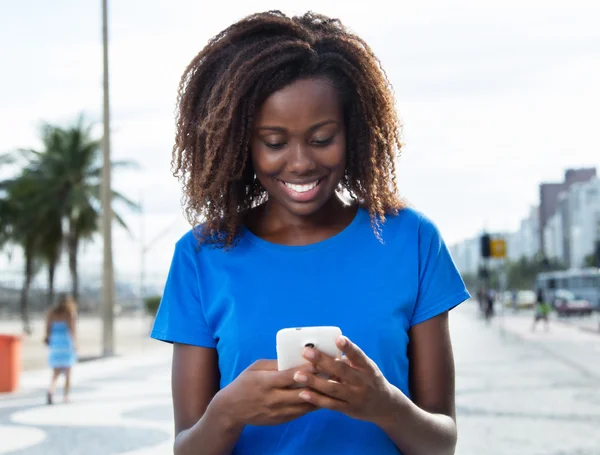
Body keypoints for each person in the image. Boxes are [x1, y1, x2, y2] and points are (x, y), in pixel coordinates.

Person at [151, 11, 470, 455]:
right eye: (275, 142)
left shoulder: (411, 241)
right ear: (241, 143)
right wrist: (228, 413)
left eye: (321, 138)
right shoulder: (201, 256)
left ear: (354, 132)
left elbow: (442, 444)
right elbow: (186, 448)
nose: (300, 163)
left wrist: (385, 405)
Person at [44, 293, 78, 404]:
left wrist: (48, 340)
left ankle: (51, 390)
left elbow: (48, 329)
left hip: (55, 342)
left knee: (55, 372)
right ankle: (66, 396)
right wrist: (75, 344)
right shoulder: (69, 313)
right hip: (65, 342)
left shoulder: (51, 313)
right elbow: (72, 330)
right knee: (68, 372)